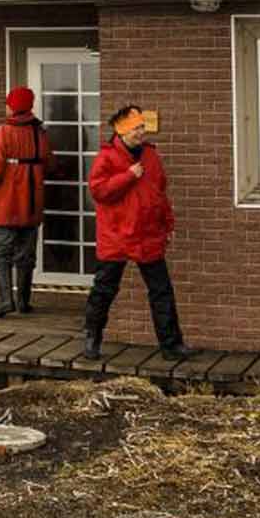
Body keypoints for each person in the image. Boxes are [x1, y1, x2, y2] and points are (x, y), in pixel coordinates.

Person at [83, 105, 193, 360]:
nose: (141, 132)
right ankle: (92, 338)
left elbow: (159, 193)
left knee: (161, 290)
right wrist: (128, 176)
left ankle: (172, 345)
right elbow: (99, 192)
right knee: (104, 289)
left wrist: (168, 224)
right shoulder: (107, 157)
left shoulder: (151, 156)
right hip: (117, 235)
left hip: (147, 233)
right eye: (136, 128)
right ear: (121, 131)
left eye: (142, 127)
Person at [0, 85, 50, 317]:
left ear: (12, 106)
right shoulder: (40, 133)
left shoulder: (2, 132)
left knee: (0, 252)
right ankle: (23, 302)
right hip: (32, 202)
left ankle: (6, 301)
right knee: (26, 254)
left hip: (6, 203)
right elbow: (50, 163)